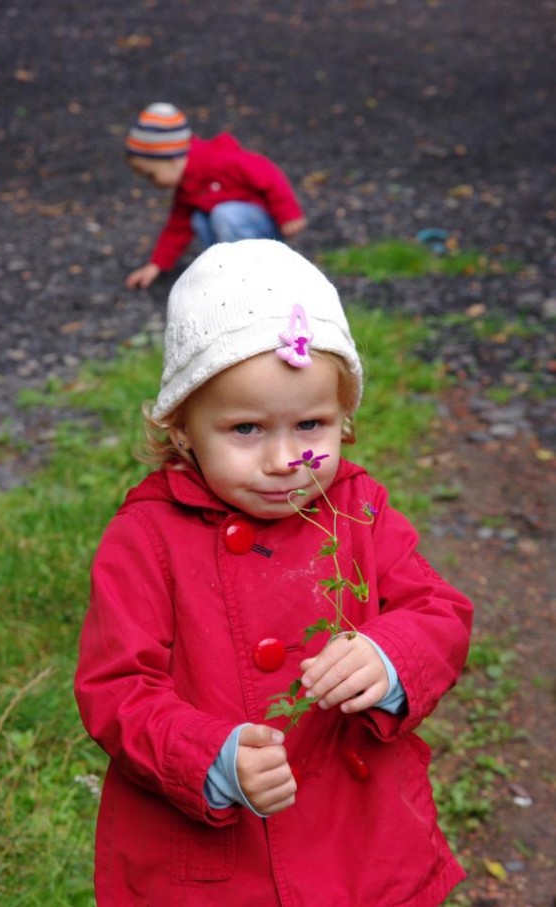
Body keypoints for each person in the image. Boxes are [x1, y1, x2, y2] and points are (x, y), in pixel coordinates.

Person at [75, 239, 474, 906]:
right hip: (215, 861)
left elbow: (439, 610)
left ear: (344, 418)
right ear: (182, 430)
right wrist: (212, 755)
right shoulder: (146, 536)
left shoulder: (358, 506)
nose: (287, 458)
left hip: (359, 835)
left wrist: (391, 655)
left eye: (311, 424)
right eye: (247, 429)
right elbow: (116, 687)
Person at [123, 102, 307, 290]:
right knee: (199, 218)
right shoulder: (187, 185)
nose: (151, 182)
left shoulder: (220, 161)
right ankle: (223, 269)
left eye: (151, 175)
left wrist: (289, 213)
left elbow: (268, 174)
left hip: (262, 229)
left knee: (223, 214)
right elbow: (176, 228)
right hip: (237, 227)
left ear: (173, 160)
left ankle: (255, 273)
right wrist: (156, 265)